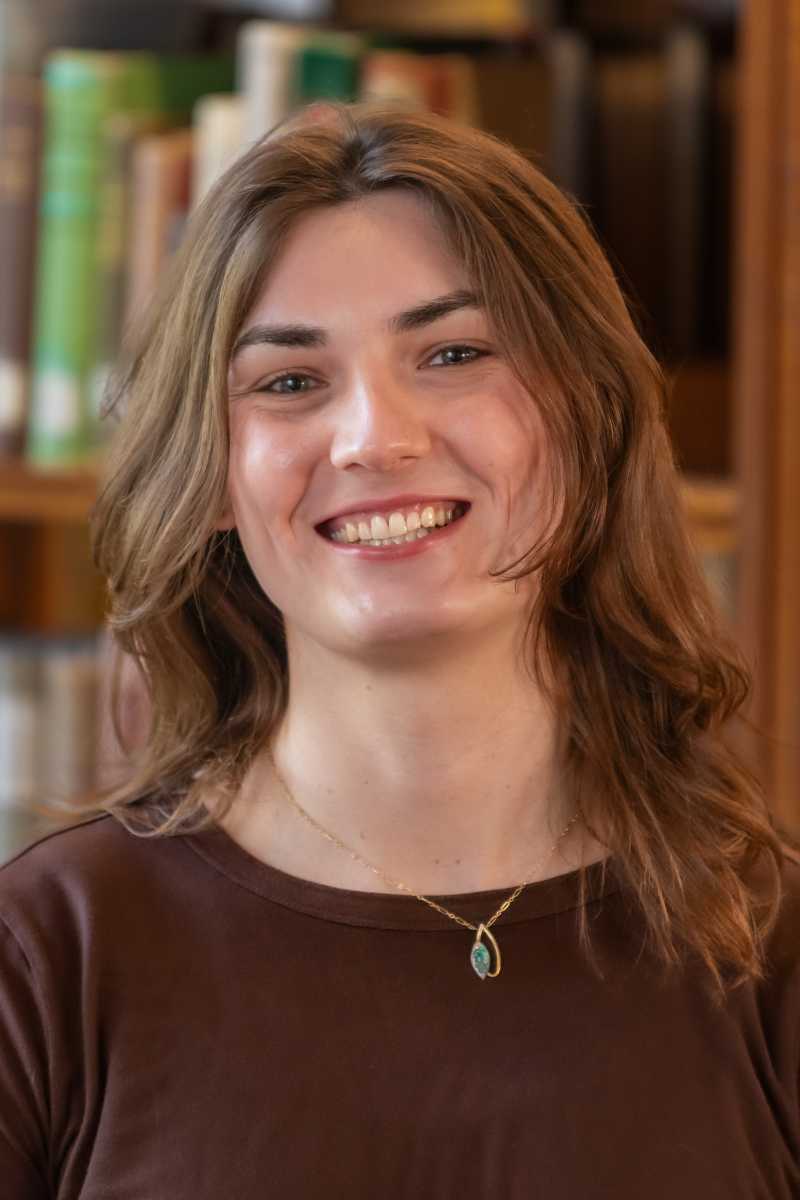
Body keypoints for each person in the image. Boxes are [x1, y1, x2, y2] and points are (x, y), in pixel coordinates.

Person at [1, 101, 798, 1199]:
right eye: (289, 382)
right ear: (213, 478)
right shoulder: (45, 956)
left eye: (455, 353)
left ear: (584, 415)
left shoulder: (769, 944)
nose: (376, 436)